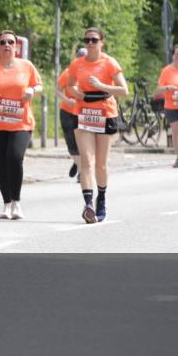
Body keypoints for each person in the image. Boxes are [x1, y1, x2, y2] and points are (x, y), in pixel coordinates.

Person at [0, 30, 43, 220]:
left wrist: (32, 89)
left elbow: (39, 85)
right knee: (1, 164)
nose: (7, 45)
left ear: (16, 46)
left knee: (15, 156)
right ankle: (6, 204)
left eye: (11, 42)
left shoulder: (26, 66)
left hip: (22, 122)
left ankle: (17, 202)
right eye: (3, 42)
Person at [67, 27, 128, 223]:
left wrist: (102, 86)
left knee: (101, 164)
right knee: (86, 161)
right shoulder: (77, 64)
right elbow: (69, 85)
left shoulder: (109, 63)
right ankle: (88, 205)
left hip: (105, 111)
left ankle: (101, 198)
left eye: (94, 40)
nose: (90, 44)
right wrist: (78, 93)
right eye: (87, 40)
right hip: (84, 112)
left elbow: (123, 90)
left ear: (102, 42)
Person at [56, 46, 87, 181]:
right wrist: (66, 99)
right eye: (79, 57)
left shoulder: (91, 73)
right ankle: (78, 164)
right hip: (68, 111)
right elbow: (57, 90)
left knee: (84, 142)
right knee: (71, 142)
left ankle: (80, 169)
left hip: (84, 112)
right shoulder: (68, 73)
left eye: (84, 58)